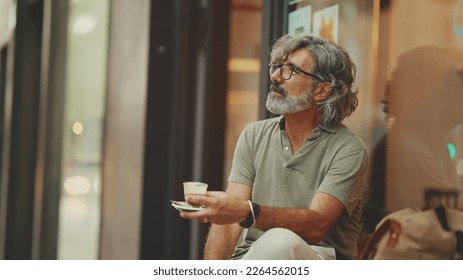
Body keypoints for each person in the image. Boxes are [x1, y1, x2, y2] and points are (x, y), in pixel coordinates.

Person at [180, 33, 369, 260]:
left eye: (291, 69)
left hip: (317, 260)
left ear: (322, 91)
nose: (276, 76)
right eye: (277, 66)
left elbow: (316, 226)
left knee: (280, 241)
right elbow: (228, 223)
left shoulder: (348, 149)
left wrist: (246, 211)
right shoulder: (254, 134)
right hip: (254, 259)